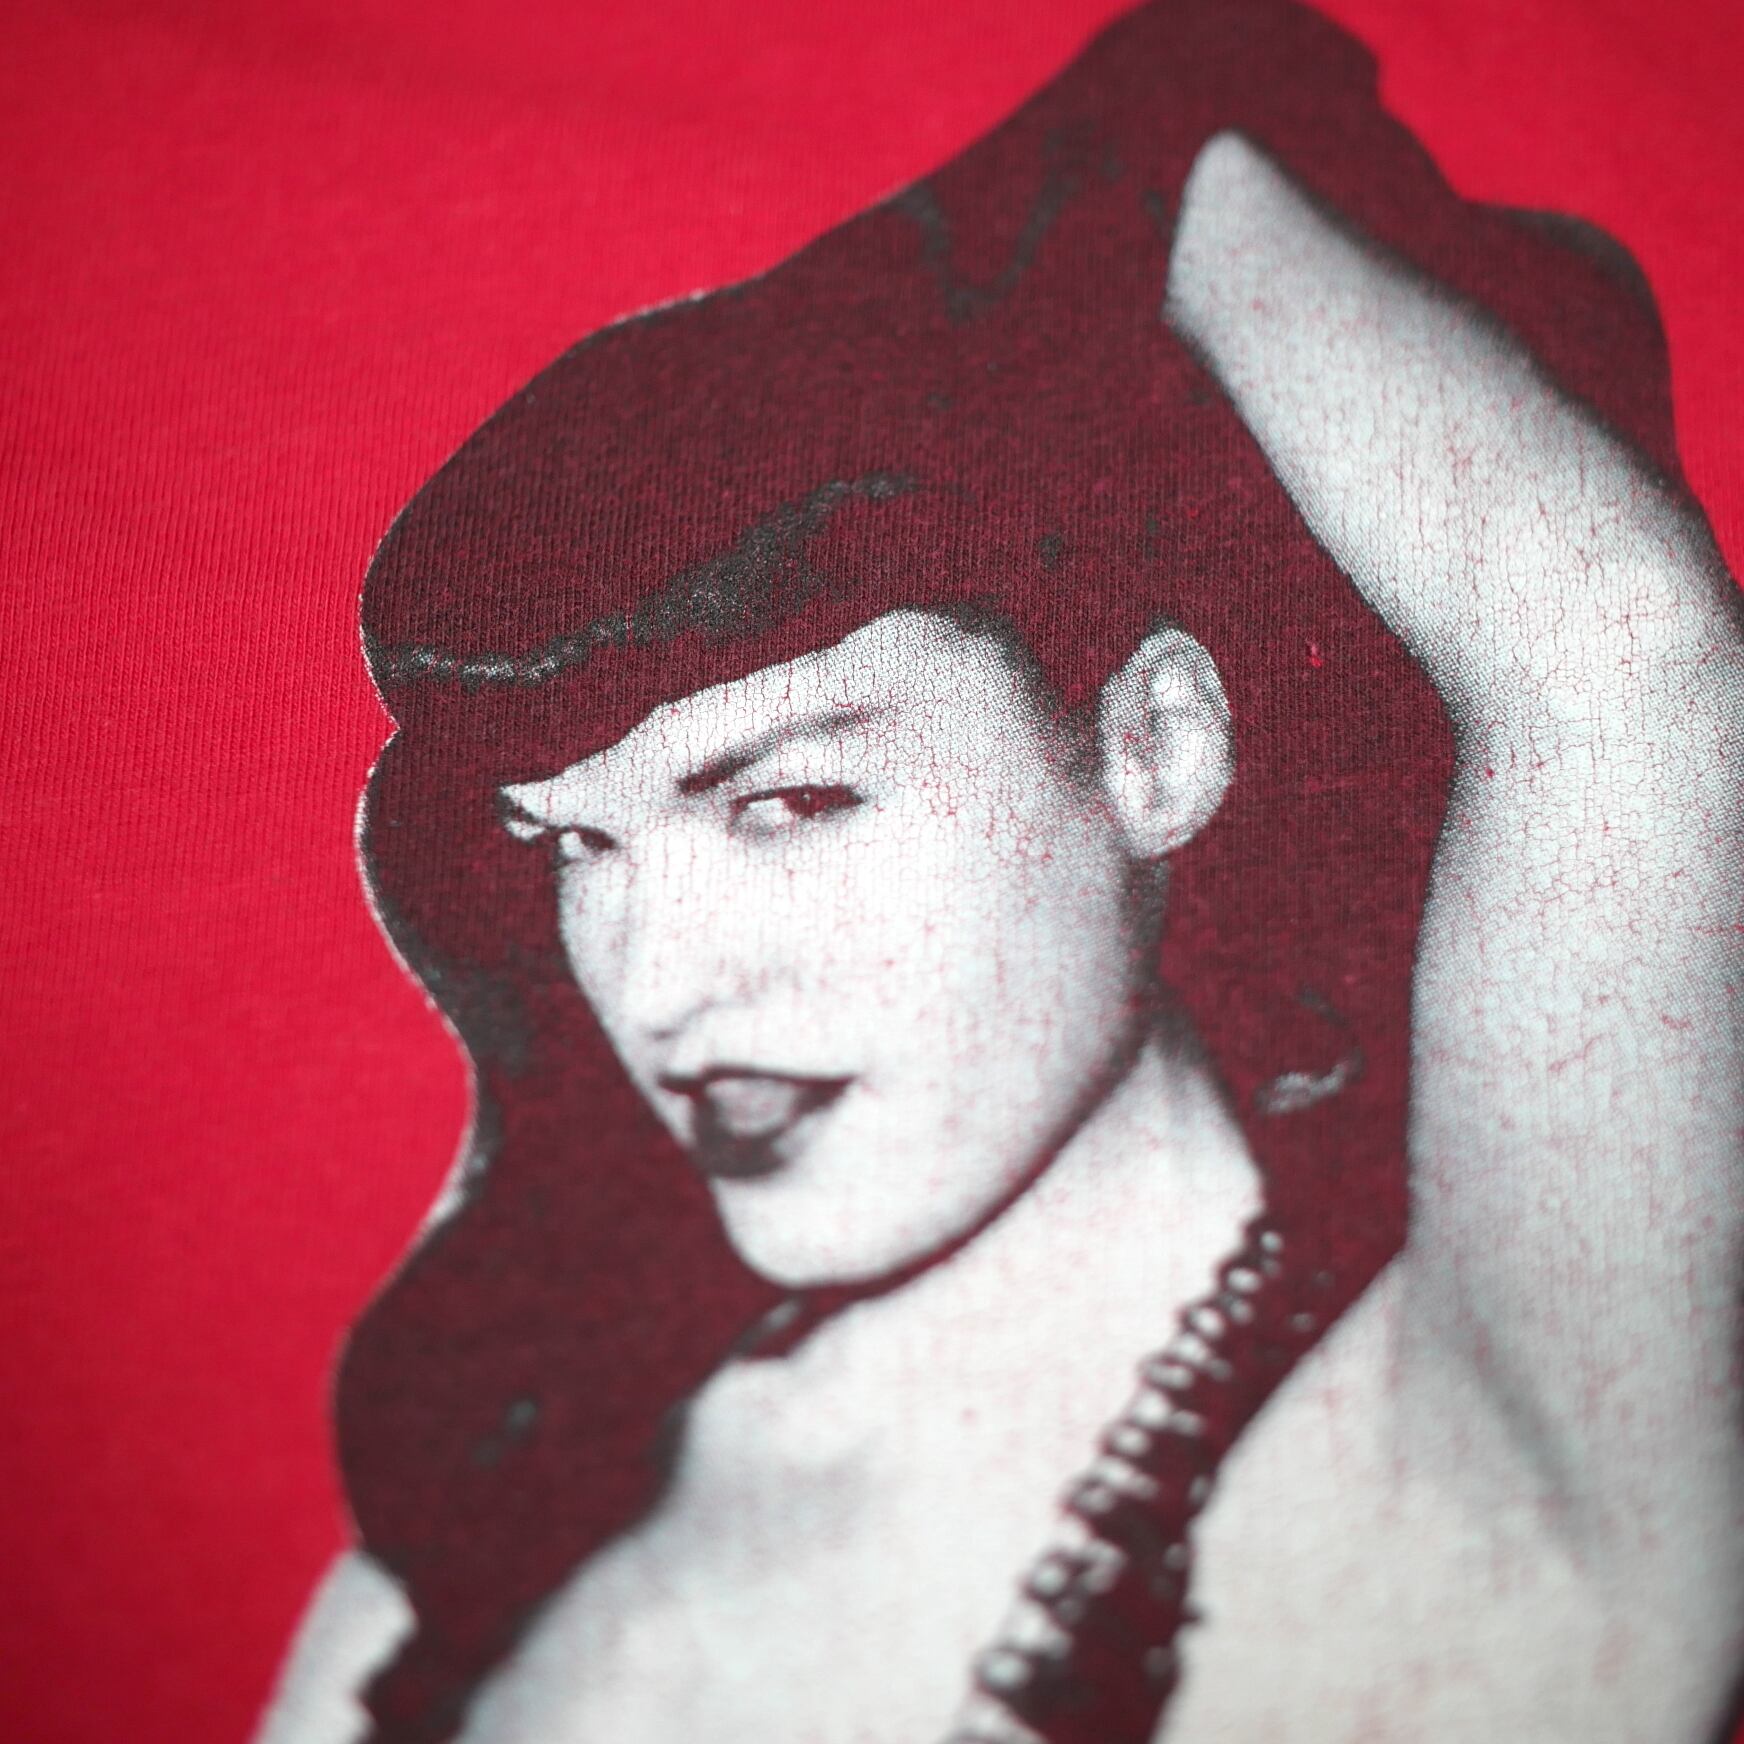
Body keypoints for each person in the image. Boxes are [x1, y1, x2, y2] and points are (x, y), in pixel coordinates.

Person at [256, 4, 1744, 1740]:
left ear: (1152, 748)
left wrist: (1168, 139)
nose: (657, 980)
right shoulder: (494, 1522)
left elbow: (1624, 654)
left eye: (790, 803)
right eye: (579, 844)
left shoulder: (1493, 1466)